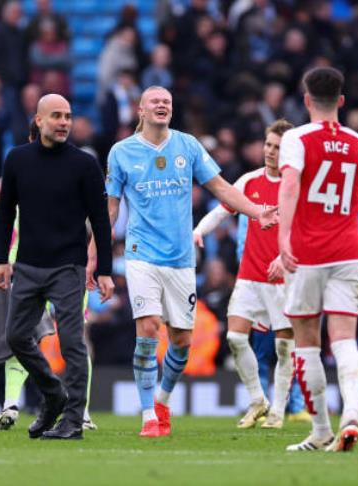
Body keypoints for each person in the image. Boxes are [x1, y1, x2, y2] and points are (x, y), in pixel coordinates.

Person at [106, 85, 277, 438]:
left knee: (182, 340)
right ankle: (147, 416)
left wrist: (257, 211)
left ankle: (163, 400)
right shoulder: (121, 153)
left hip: (182, 257)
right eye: (155, 101)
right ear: (141, 109)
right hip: (141, 255)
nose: (162, 105)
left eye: (167, 101)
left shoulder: (188, 146)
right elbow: (109, 210)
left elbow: (222, 188)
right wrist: (92, 250)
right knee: (149, 326)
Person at [0, 94, 113, 440]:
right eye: (57, 116)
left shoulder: (84, 164)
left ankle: (73, 420)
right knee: (15, 336)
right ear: (39, 120)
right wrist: (2, 260)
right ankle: (53, 394)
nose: (64, 122)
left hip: (68, 268)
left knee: (72, 343)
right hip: (27, 265)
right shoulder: (17, 159)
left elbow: (100, 221)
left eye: (68, 116)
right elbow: (4, 212)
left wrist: (103, 269)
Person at [278, 67, 358, 453]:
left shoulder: (296, 138)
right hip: (348, 250)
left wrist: (283, 237)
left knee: (306, 340)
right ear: (342, 101)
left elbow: (289, 185)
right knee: (345, 339)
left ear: (305, 99)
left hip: (306, 252)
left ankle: (320, 430)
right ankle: (351, 413)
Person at [193, 119, 295, 429]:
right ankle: (257, 400)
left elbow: (307, 232)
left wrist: (283, 257)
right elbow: (223, 209)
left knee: (283, 347)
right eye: (268, 144)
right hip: (250, 276)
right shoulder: (249, 181)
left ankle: (278, 410)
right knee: (235, 338)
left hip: (285, 280)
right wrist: (199, 230)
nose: (270, 151)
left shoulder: (297, 187)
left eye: (277, 147)